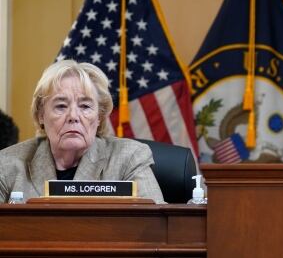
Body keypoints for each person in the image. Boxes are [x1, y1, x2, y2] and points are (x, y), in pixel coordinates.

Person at [0, 60, 164, 203]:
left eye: (85, 106)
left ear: (99, 116)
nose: (73, 116)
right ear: (41, 115)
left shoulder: (128, 158)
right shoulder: (7, 165)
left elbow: (156, 228)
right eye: (61, 106)